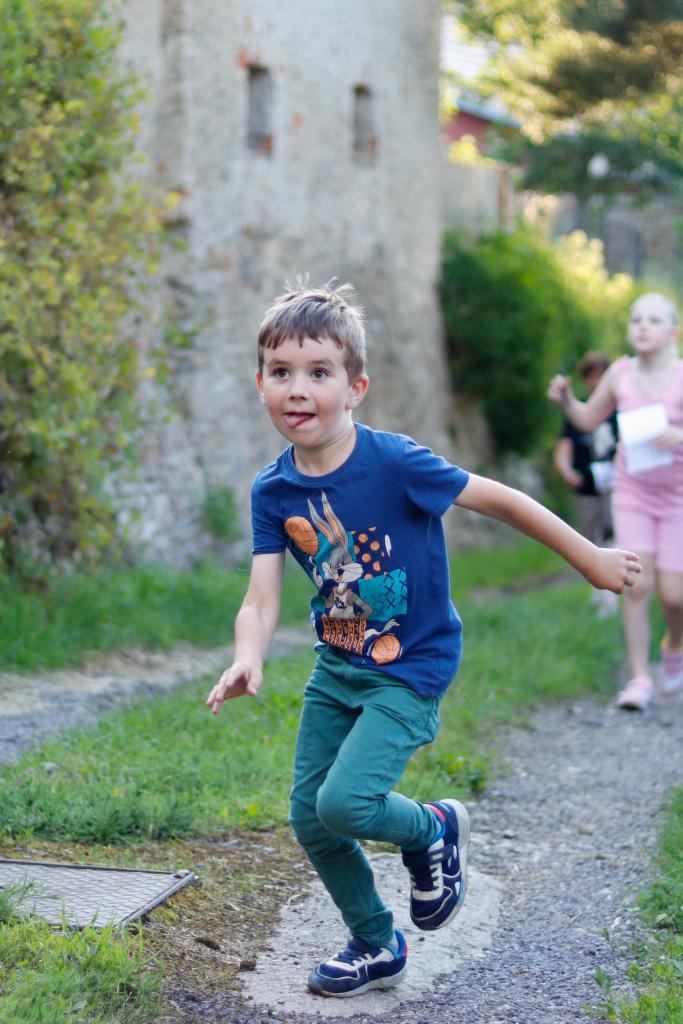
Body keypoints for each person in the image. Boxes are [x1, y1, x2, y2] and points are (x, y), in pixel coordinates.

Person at [206, 281, 640, 999]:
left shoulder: (395, 463)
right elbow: (259, 596)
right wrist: (247, 657)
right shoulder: (273, 491)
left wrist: (588, 558)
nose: (297, 388)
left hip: (411, 666)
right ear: (260, 384)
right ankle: (376, 943)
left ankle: (432, 829)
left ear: (355, 388)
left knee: (345, 805)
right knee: (311, 818)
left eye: (319, 372)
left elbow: (499, 498)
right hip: (338, 666)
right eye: (280, 372)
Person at [549, 292, 683, 711]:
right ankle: (640, 677)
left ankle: (674, 645)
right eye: (637, 319)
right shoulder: (619, 374)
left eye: (653, 320)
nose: (642, 326)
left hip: (678, 498)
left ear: (673, 332)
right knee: (637, 583)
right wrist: (567, 401)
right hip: (632, 493)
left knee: (675, 596)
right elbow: (588, 419)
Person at [553, 351, 619, 616]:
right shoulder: (576, 415)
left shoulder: (620, 410)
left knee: (613, 533)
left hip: (617, 485)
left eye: (601, 376)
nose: (596, 382)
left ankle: (612, 594)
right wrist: (567, 472)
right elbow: (564, 448)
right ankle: (597, 588)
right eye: (591, 377)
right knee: (589, 537)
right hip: (587, 485)